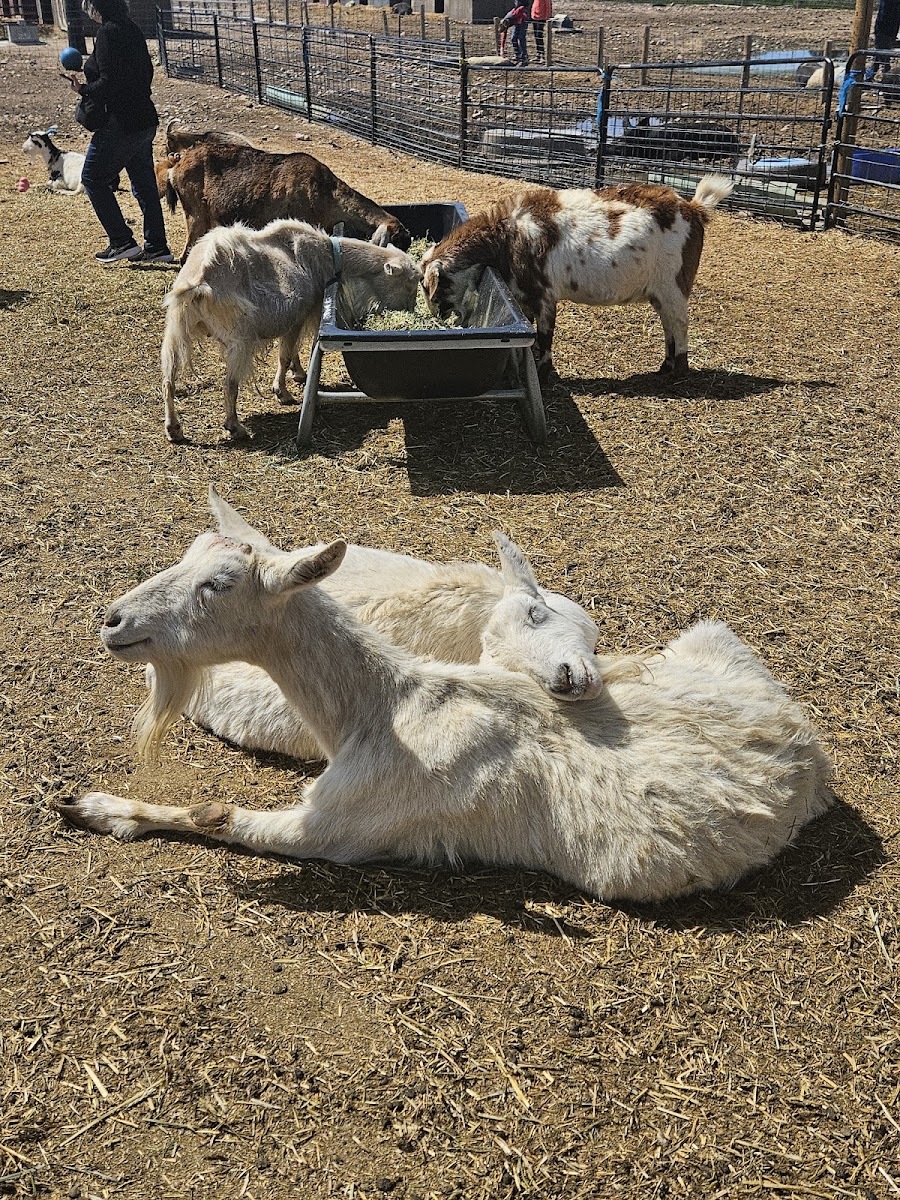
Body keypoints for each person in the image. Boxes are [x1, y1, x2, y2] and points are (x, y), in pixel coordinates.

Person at [65, 0, 173, 264]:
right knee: (144, 184)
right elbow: (144, 72)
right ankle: (157, 246)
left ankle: (121, 241)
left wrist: (83, 90)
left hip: (121, 123)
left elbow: (109, 82)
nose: (86, 7)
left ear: (98, 6)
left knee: (92, 177)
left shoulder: (107, 33)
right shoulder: (132, 28)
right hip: (144, 118)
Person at [531, 0, 552, 66]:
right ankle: (538, 54)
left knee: (539, 35)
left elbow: (548, 6)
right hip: (535, 17)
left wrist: (547, 17)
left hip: (541, 17)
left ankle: (542, 55)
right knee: (536, 36)